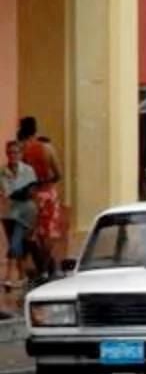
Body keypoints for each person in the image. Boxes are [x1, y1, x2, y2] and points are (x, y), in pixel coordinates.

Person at [18, 118, 65, 281]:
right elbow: (59, 174)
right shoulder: (47, 148)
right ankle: (45, 269)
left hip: (32, 195)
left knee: (32, 234)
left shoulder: (22, 150)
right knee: (49, 233)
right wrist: (47, 181)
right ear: (35, 129)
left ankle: (40, 268)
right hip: (48, 193)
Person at [1, 141, 38, 288]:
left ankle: (9, 275)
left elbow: (31, 191)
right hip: (8, 212)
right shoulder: (2, 171)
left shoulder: (28, 171)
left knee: (16, 241)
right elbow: (5, 193)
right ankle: (23, 275)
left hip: (25, 212)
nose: (12, 155)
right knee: (15, 243)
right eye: (10, 152)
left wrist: (13, 193)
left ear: (21, 154)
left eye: (15, 152)